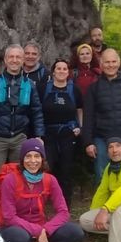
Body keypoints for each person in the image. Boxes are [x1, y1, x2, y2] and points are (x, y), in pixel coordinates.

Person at [0, 139, 84, 242]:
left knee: (75, 232)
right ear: (22, 159)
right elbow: (8, 216)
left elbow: (63, 212)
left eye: (37, 156)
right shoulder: (10, 180)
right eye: (28, 156)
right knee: (19, 237)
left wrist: (46, 229)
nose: (33, 161)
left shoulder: (50, 180)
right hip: (14, 228)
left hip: (41, 228)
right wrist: (39, 231)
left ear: (43, 159)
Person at [0, 45, 45, 186]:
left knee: (20, 177)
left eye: (18, 57)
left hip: (20, 137)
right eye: (11, 57)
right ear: (5, 60)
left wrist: (39, 135)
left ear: (23, 60)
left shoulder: (29, 85)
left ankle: (17, 207)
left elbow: (37, 111)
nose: (14, 60)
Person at [82, 48, 121, 187]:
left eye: (113, 61)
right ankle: (103, 206)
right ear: (101, 64)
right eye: (107, 62)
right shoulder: (94, 88)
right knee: (103, 177)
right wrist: (88, 142)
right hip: (102, 139)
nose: (111, 65)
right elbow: (88, 116)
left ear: (119, 62)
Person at [37, 59, 83, 207]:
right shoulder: (43, 88)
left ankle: (65, 205)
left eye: (65, 69)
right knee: (47, 168)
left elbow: (80, 109)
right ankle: (42, 203)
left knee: (66, 169)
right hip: (48, 134)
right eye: (59, 68)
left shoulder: (74, 89)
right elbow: (36, 110)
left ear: (68, 72)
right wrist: (38, 133)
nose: (62, 71)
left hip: (67, 134)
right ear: (53, 71)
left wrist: (79, 127)